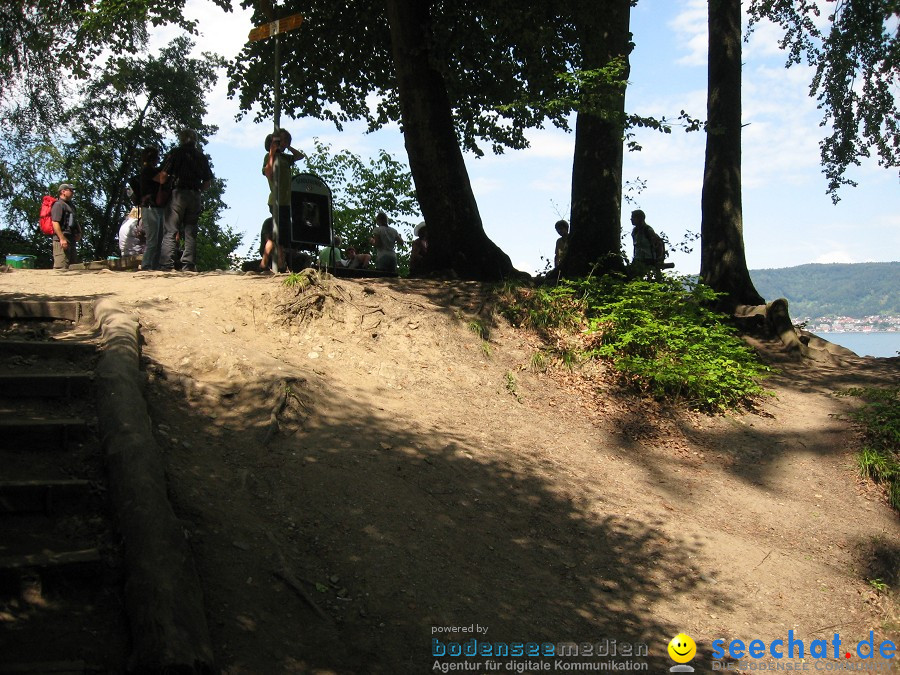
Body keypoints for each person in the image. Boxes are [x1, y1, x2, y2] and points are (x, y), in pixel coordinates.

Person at [157, 128, 213, 272]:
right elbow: (207, 183)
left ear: (181, 139)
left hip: (177, 194)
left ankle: (166, 265)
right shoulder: (201, 157)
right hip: (194, 195)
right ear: (195, 140)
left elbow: (163, 176)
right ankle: (188, 265)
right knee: (190, 231)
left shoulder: (175, 154)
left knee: (170, 230)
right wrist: (198, 188)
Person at [262, 129, 305, 266]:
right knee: (279, 235)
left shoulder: (286, 158)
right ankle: (279, 264)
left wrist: (288, 146)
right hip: (275, 200)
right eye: (282, 140)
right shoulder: (269, 157)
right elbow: (268, 173)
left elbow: (300, 156)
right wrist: (272, 152)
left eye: (286, 141)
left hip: (286, 202)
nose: (283, 143)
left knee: (280, 234)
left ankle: (267, 263)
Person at [138, 146, 164, 270]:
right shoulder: (148, 171)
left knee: (158, 241)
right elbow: (162, 179)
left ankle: (153, 265)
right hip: (150, 208)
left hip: (155, 208)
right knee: (153, 241)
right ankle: (146, 265)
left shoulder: (148, 170)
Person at [50, 183, 79, 269]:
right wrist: (62, 238)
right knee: (61, 267)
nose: (73, 192)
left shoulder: (71, 205)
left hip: (71, 239)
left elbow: (74, 220)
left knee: (74, 267)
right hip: (61, 240)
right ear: (63, 192)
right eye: (71, 190)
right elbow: (55, 222)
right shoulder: (58, 204)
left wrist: (79, 232)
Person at [630, 209, 665, 279]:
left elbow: (659, 244)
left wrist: (659, 259)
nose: (631, 219)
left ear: (639, 218)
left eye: (633, 217)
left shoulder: (648, 230)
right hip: (637, 259)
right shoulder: (635, 231)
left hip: (649, 260)